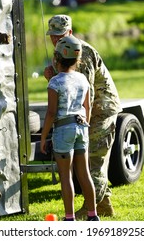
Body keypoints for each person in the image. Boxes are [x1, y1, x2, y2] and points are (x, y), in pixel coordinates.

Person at [44, 15, 122, 218]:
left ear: (69, 33)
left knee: (93, 160)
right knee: (91, 162)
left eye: (59, 35)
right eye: (52, 36)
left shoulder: (81, 51)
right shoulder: (62, 49)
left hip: (100, 110)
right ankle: (103, 206)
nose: (55, 40)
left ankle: (89, 211)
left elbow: (83, 92)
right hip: (87, 112)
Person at [40, 35, 100, 222]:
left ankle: (69, 219)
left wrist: (43, 138)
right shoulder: (82, 79)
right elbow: (87, 107)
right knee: (85, 174)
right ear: (78, 59)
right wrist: (86, 125)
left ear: (56, 59)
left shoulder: (55, 82)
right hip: (82, 127)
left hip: (64, 130)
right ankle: (93, 215)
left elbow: (51, 113)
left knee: (66, 176)